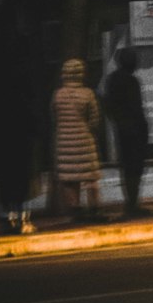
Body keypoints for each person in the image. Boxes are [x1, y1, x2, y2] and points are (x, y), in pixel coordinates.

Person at [0, 0, 41, 235]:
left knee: (6, 170)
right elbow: (29, 83)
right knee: (22, 169)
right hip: (21, 118)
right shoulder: (23, 46)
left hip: (2, 119)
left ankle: (7, 216)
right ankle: (22, 216)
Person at [51, 57, 103, 221]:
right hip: (84, 141)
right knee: (90, 177)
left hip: (64, 142)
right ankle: (94, 207)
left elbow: (53, 118)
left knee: (69, 180)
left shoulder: (57, 95)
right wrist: (87, 129)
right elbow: (95, 119)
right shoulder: (87, 94)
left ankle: (74, 208)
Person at [103, 46, 150, 218]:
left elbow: (108, 105)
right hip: (134, 130)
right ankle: (133, 203)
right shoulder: (131, 81)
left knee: (127, 167)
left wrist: (118, 121)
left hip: (123, 129)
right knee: (135, 168)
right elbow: (136, 108)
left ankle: (131, 203)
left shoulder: (112, 80)